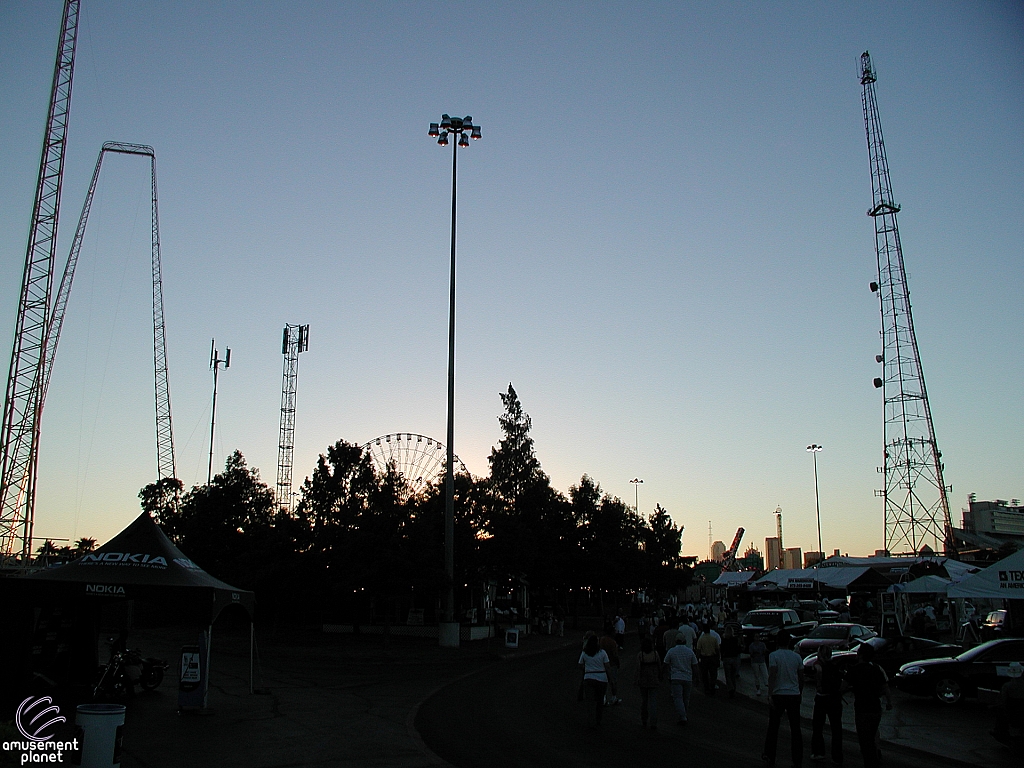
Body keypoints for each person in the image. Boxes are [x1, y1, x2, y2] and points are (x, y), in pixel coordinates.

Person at [843, 641, 892, 768]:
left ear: (860, 655)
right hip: (876, 708)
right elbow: (885, 687)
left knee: (865, 741)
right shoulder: (877, 669)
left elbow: (842, 687)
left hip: (862, 709)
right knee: (872, 737)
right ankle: (875, 758)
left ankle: (870, 763)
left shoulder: (854, 670)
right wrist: (889, 702)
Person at [763, 634, 804, 768]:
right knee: (795, 728)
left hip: (778, 694)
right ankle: (797, 758)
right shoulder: (797, 657)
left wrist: (770, 694)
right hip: (793, 694)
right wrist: (799, 692)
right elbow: (801, 677)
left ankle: (770, 755)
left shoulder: (774, 656)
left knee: (773, 726)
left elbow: (772, 675)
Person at [809, 645, 844, 764]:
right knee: (836, 728)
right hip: (834, 699)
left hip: (822, 698)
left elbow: (817, 674)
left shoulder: (818, 665)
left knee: (818, 726)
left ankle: (819, 751)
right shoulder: (835, 666)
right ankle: (837, 756)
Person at [663, 634, 700, 725]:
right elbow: (695, 666)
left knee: (678, 698)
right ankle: (684, 714)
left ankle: (682, 715)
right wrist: (697, 677)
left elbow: (665, 664)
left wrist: (664, 674)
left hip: (676, 677)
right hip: (688, 677)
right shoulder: (690, 651)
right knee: (686, 698)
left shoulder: (672, 651)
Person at [578, 634, 612, 728]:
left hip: (589, 677)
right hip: (601, 678)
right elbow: (607, 666)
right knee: (599, 701)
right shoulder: (602, 653)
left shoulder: (585, 653)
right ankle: (598, 719)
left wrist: (586, 669)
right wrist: (610, 678)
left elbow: (580, 665)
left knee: (590, 701)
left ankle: (590, 720)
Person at [635, 636, 663, 729]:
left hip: (643, 680)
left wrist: (637, 679)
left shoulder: (641, 655)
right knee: (653, 701)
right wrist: (660, 675)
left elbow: (638, 669)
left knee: (644, 701)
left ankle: (644, 719)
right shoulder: (655, 654)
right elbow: (659, 666)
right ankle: (653, 722)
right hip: (654, 679)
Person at [695, 623, 721, 694]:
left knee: (704, 674)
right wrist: (718, 658)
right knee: (713, 674)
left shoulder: (701, 639)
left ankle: (706, 688)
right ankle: (712, 687)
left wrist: (697, 659)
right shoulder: (714, 639)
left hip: (704, 658)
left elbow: (698, 650)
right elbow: (717, 650)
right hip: (712, 657)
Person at [599, 630, 622, 705]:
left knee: (603, 681)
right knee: (613, 681)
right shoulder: (613, 642)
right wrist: (618, 662)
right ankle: (613, 697)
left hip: (602, 663)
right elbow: (615, 654)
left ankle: (604, 698)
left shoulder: (601, 640)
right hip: (612, 663)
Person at [720, 625, 742, 698]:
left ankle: (730, 688)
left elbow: (721, 649)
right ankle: (734, 689)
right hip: (734, 658)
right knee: (733, 675)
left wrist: (722, 657)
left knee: (728, 676)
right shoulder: (735, 639)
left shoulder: (724, 640)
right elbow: (738, 648)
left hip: (726, 658)